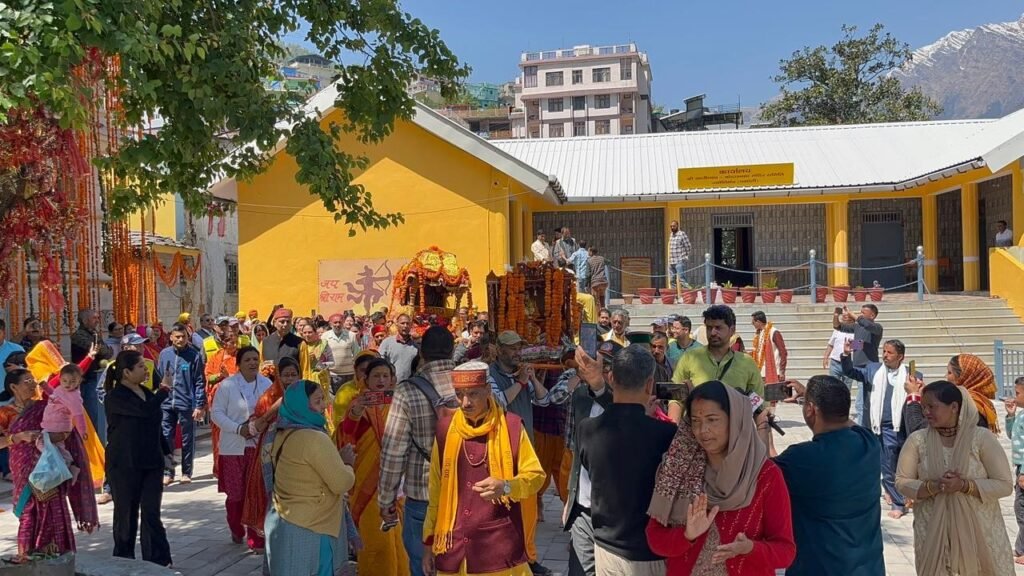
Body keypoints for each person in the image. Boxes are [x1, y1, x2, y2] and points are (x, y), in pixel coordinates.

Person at [646, 380, 795, 575]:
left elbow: (785, 551)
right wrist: (686, 535)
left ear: (735, 420)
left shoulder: (765, 475)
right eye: (696, 421)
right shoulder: (678, 469)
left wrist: (750, 548)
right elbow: (655, 538)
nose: (702, 430)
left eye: (712, 419)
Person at [422, 361, 546, 576]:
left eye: (473, 394)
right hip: (452, 547)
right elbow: (436, 491)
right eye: (459, 394)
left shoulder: (511, 426)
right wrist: (428, 544)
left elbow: (536, 476)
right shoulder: (445, 429)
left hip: (499, 548)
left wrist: (506, 486)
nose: (465, 402)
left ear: (488, 390)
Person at [896, 380, 1014, 576]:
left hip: (980, 531)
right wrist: (934, 487)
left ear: (954, 407)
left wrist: (965, 486)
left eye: (932, 407)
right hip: (932, 531)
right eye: (923, 407)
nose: (926, 412)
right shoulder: (918, 441)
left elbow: (1004, 484)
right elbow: (902, 481)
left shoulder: (981, 439)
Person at [577, 345, 676, 575]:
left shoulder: (587, 429)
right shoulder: (666, 434)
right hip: (650, 551)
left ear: (611, 378)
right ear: (650, 384)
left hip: (606, 547)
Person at [774, 376, 883, 576]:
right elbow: (847, 422)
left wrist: (761, 426)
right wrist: (810, 397)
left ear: (810, 409)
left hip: (818, 568)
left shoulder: (801, 457)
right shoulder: (869, 442)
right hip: (868, 567)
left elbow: (763, 474)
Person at [379, 326, 458, 576]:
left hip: (423, 493)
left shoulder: (408, 390)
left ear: (421, 352)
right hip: (466, 491)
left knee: (423, 567)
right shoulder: (471, 383)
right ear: (453, 351)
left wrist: (386, 499)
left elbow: (394, 450)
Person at [3, 369, 98, 559]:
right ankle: (26, 557)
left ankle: (56, 556)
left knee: (53, 509)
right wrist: (18, 437)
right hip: (24, 468)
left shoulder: (46, 406)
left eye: (33, 379)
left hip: (49, 468)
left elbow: (66, 428)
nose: (33, 384)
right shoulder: (5, 413)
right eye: (27, 381)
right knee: (28, 511)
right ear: (14, 387)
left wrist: (52, 437)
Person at [265, 380, 356, 575]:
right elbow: (341, 483)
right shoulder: (314, 438)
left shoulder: (280, 433)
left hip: (286, 520)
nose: (323, 406)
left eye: (323, 399)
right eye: (317, 401)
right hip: (315, 527)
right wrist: (347, 464)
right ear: (301, 405)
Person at [487, 330, 552, 575]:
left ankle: (530, 558)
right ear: (499, 350)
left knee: (529, 510)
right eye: (512, 348)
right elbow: (498, 402)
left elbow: (544, 400)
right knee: (507, 511)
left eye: (519, 348)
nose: (517, 353)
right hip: (502, 450)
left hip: (526, 449)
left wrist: (532, 379)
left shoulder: (521, 374)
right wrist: (521, 382)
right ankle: (510, 558)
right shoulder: (490, 375)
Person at [340, 358, 410, 575]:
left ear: (392, 379)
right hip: (367, 483)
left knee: (399, 541)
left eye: (385, 376)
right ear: (366, 379)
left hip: (396, 482)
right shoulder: (357, 404)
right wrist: (356, 412)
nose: (381, 380)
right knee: (377, 542)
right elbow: (345, 435)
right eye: (376, 376)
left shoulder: (399, 403)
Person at [104, 350, 173, 567]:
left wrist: (166, 451)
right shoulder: (115, 397)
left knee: (151, 512)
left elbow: (154, 422)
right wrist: (164, 390)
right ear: (126, 372)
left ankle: (157, 560)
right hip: (124, 463)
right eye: (141, 366)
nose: (146, 370)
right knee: (126, 513)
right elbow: (143, 411)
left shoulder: (146, 392)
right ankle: (124, 559)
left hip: (151, 462)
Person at [840, 338, 921, 519]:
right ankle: (895, 498)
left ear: (900, 357)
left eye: (889, 352)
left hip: (899, 427)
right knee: (883, 463)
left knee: (895, 464)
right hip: (877, 427)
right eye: (884, 351)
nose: (885, 355)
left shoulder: (912, 375)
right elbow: (850, 371)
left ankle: (899, 499)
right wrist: (846, 354)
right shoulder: (873, 370)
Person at [563, 342, 619, 576]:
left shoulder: (628, 402)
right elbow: (575, 451)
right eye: (595, 365)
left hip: (616, 512)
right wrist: (570, 499)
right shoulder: (580, 397)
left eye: (605, 367)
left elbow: (620, 417)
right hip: (583, 509)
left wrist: (599, 387)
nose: (599, 371)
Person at [211, 345, 273, 551]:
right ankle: (236, 528)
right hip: (233, 448)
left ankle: (256, 538)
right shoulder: (227, 385)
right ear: (238, 364)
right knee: (236, 495)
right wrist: (239, 429)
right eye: (247, 360)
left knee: (255, 493)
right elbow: (216, 414)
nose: (252, 363)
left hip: (258, 447)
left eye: (255, 359)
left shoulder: (267, 384)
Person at [671, 306, 764, 428]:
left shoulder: (747, 363)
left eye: (718, 328)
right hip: (697, 433)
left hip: (735, 434)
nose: (713, 333)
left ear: (732, 330)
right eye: (709, 328)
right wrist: (672, 431)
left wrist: (764, 435)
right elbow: (676, 399)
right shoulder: (689, 358)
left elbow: (759, 406)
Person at [239, 357, 292, 540]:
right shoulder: (268, 397)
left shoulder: (306, 396)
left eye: (294, 375)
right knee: (271, 496)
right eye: (286, 375)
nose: (290, 379)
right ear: (278, 377)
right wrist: (274, 409)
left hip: (298, 454)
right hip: (271, 454)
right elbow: (254, 429)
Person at [157, 322, 207, 485]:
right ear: (171, 337)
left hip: (186, 403)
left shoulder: (194, 355)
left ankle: (186, 472)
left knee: (187, 439)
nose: (180, 340)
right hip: (166, 403)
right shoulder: (164, 354)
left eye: (183, 337)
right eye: (177, 337)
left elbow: (199, 381)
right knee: (166, 438)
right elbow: (158, 376)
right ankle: (168, 472)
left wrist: (199, 405)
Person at [40, 363, 90, 484]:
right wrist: (45, 387)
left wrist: (83, 431)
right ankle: (69, 466)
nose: (68, 384)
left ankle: (63, 465)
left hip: (58, 425)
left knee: (41, 442)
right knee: (58, 447)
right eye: (65, 381)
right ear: (60, 379)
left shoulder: (74, 397)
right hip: (50, 424)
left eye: (73, 381)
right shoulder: (60, 389)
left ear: (79, 381)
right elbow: (54, 396)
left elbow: (78, 415)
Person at [70, 308, 113, 445]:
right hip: (86, 381)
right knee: (92, 416)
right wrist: (101, 350)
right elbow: (97, 350)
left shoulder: (95, 334)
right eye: (94, 318)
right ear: (85, 320)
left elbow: (108, 353)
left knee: (101, 416)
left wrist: (102, 349)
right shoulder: (78, 336)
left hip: (98, 379)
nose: (97, 321)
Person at [205, 327, 241, 478]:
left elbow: (246, 376)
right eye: (230, 342)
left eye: (235, 341)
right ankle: (219, 468)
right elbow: (209, 377)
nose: (234, 344)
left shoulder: (241, 357)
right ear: (223, 343)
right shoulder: (215, 357)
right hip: (218, 402)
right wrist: (220, 376)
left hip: (237, 403)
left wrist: (229, 376)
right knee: (218, 436)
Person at [946, 353, 999, 433]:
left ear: (963, 376)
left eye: (950, 373)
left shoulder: (968, 404)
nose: (946, 376)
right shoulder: (974, 401)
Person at [332, 350, 380, 433]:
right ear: (355, 369)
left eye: (371, 370)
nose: (366, 374)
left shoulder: (382, 389)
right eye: (363, 370)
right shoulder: (345, 391)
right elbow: (339, 422)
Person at [1004, 377, 1024, 564]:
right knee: (1020, 508)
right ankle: (1020, 548)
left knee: (1022, 508)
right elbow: (1012, 435)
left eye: (1018, 393)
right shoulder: (1021, 415)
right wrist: (1011, 416)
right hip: (1020, 468)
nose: (1014, 396)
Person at [822, 325, 856, 420]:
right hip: (835, 362)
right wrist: (825, 357)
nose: (845, 318)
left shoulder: (856, 331)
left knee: (846, 389)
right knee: (833, 388)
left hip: (849, 363)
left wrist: (851, 345)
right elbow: (831, 345)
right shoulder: (837, 331)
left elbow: (859, 348)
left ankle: (844, 412)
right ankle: (833, 411)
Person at [323, 313, 361, 394]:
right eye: (335, 322)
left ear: (343, 322)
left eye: (340, 322)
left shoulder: (351, 335)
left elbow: (357, 354)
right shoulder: (325, 336)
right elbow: (323, 356)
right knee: (336, 397)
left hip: (350, 374)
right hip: (333, 375)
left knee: (350, 397)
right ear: (330, 324)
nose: (338, 325)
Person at [380, 313, 420, 383]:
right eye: (402, 323)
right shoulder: (387, 343)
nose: (405, 326)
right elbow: (380, 363)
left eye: (407, 324)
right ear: (397, 324)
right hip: (390, 384)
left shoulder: (416, 346)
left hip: (409, 385)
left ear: (411, 326)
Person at [750, 311, 787, 383]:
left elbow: (783, 352)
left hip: (774, 372)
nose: (752, 324)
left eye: (753, 322)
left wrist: (782, 370)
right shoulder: (759, 333)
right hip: (761, 372)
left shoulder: (774, 332)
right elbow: (758, 352)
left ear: (758, 322)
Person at [667, 220, 691, 291]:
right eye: (671, 226)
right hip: (671, 261)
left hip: (679, 261)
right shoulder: (671, 235)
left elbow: (688, 246)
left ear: (677, 226)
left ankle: (687, 294)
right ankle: (674, 295)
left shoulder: (682, 234)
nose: (672, 227)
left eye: (674, 226)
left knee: (682, 279)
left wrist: (685, 256)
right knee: (672, 280)